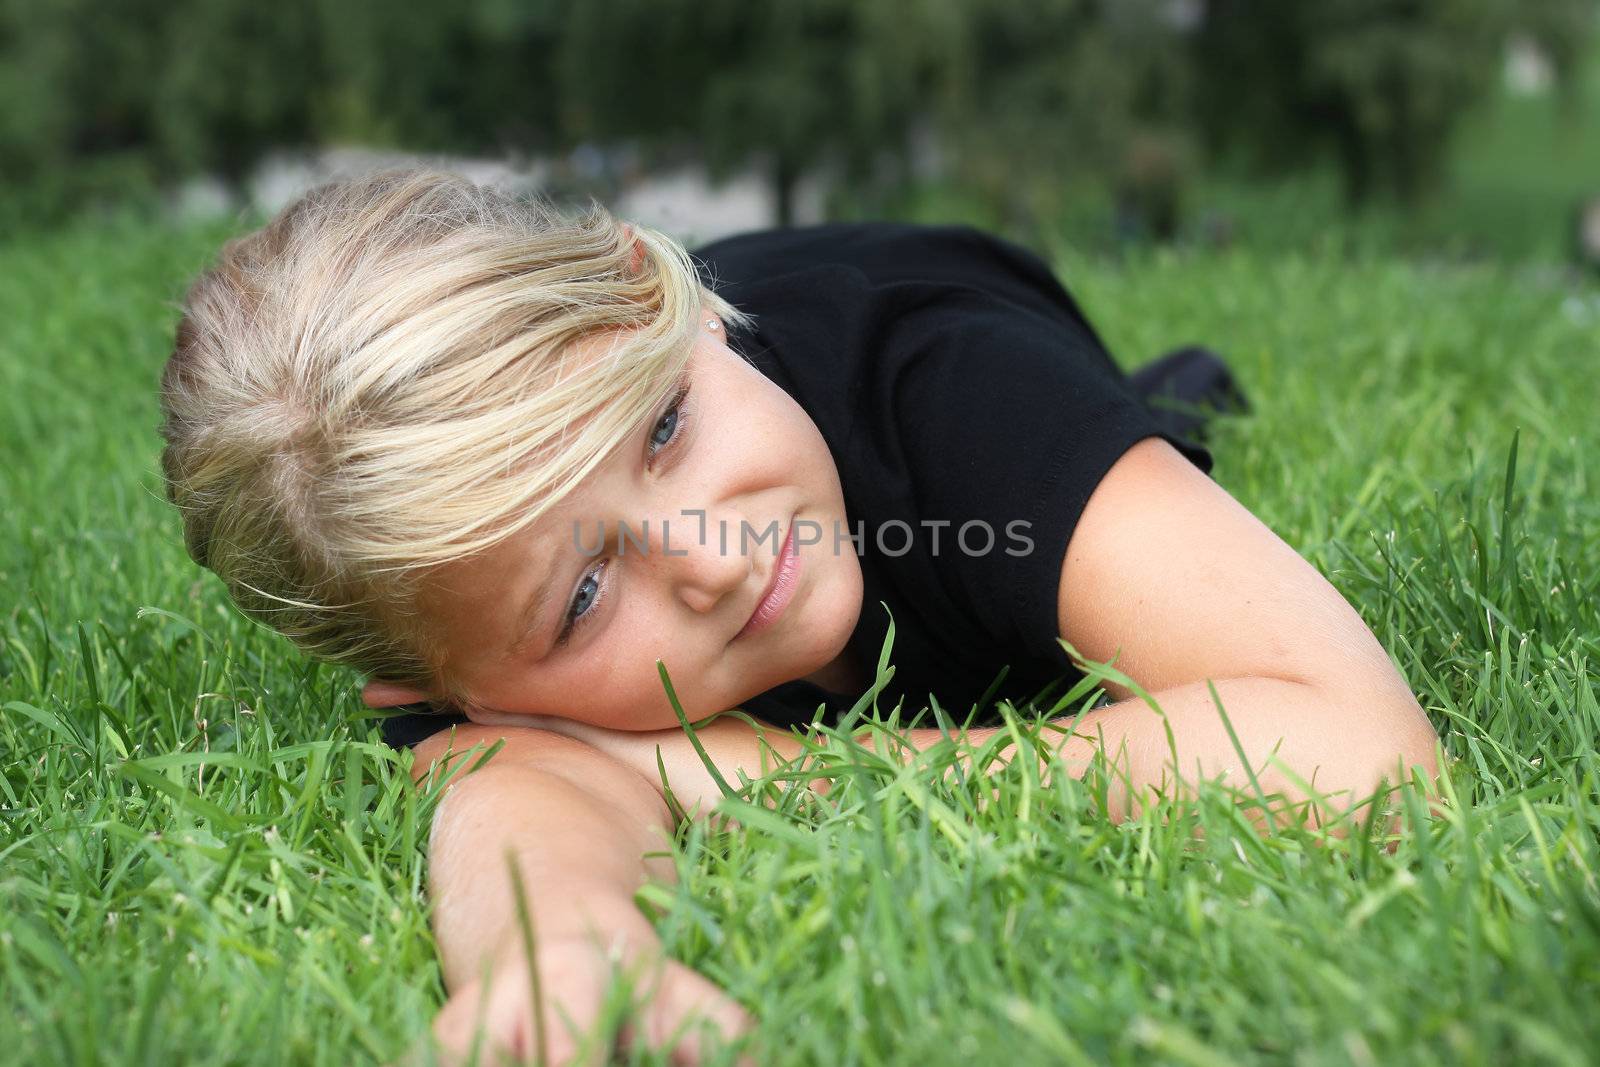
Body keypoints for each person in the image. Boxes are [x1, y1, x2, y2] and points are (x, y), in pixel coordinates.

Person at [158, 167, 1442, 1066]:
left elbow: (1362, 755)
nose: (712, 557)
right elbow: (524, 796)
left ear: (671, 297)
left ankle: (1162, 410)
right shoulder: (454, 574)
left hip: (931, 313)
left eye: (662, 427)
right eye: (586, 596)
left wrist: (791, 772)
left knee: (1150, 440)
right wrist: (555, 953)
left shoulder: (942, 390)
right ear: (440, 684)